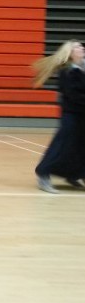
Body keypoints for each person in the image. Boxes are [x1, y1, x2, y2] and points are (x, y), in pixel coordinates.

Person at [33, 40, 85, 193]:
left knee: (80, 146)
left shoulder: (82, 69)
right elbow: (73, 95)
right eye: (77, 47)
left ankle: (73, 175)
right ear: (70, 53)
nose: (82, 48)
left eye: (81, 46)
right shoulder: (67, 72)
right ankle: (43, 173)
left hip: (82, 114)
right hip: (71, 114)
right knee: (63, 144)